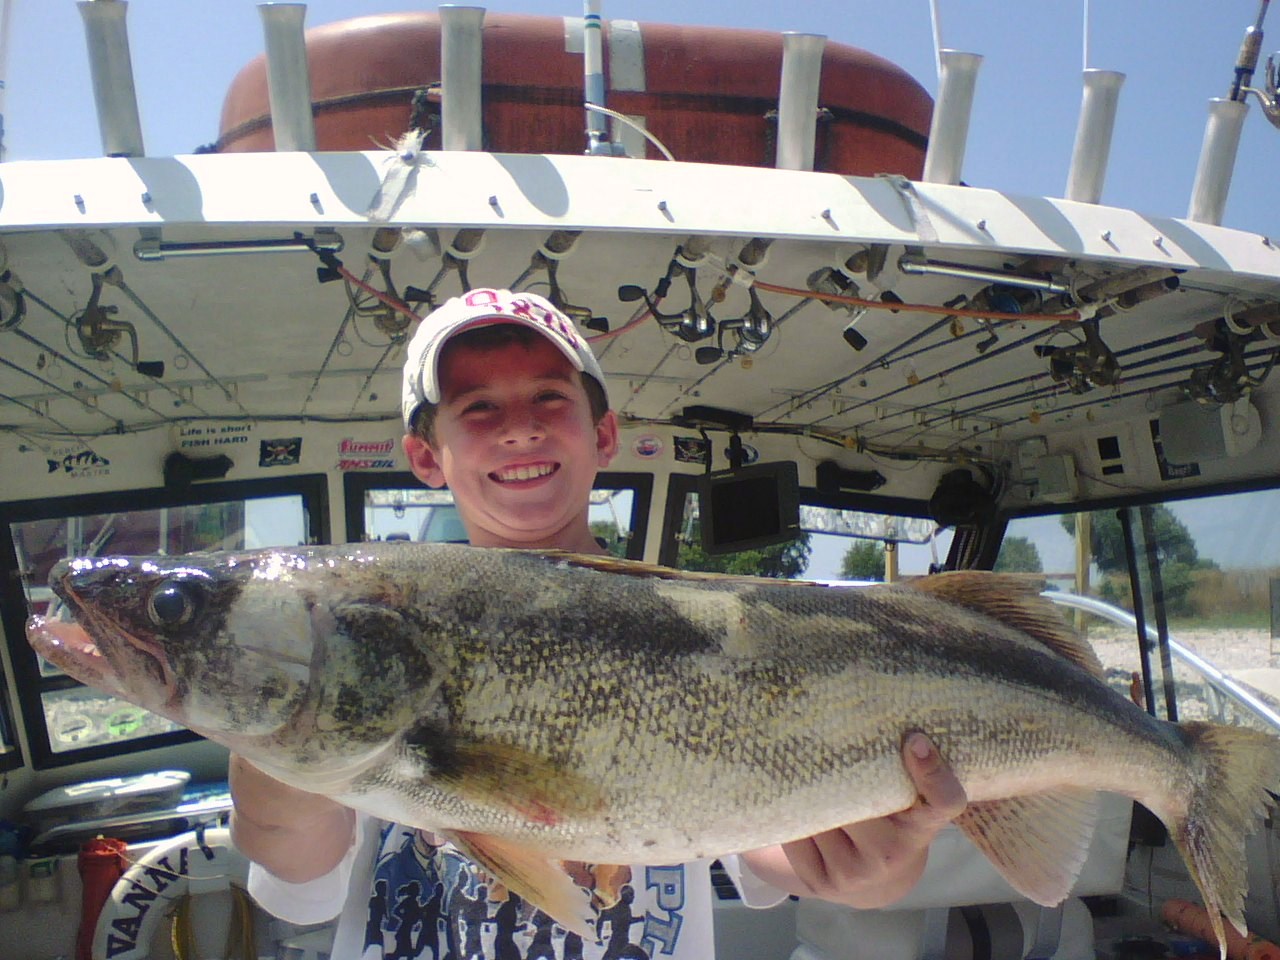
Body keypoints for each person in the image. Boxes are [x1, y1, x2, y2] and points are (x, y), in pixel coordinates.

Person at [230, 288, 968, 959]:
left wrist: (884, 859)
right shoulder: (379, 638)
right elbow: (295, 862)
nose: (519, 429)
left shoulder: (697, 638)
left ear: (604, 435)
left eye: (549, 398)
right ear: (427, 455)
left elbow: (816, 867)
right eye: (477, 407)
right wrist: (278, 710)